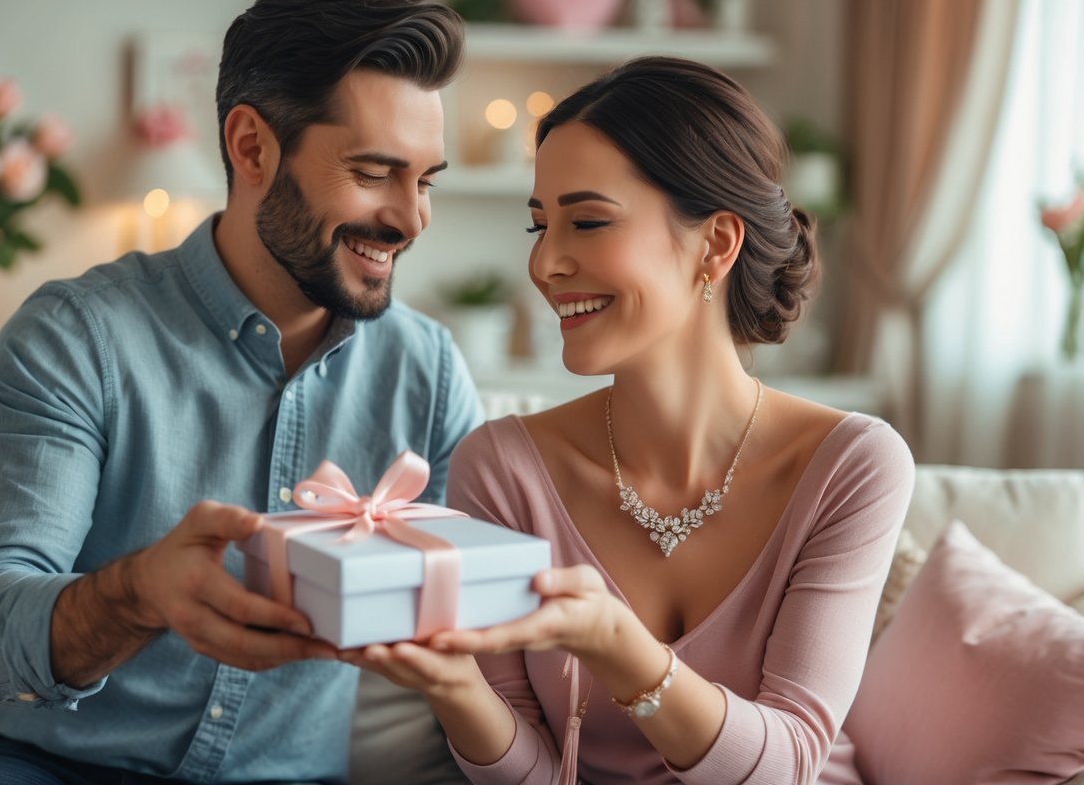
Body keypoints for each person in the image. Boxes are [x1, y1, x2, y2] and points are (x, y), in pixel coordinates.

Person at [0, 0, 483, 784]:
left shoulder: (428, 370)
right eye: (375, 172)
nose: (411, 219)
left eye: (426, 179)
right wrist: (136, 594)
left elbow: (488, 611)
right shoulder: (75, 336)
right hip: (47, 770)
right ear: (252, 145)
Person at [346, 56, 915, 784]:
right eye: (538, 225)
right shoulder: (501, 467)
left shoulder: (852, 464)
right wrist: (453, 684)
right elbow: (529, 772)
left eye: (586, 221)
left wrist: (619, 646)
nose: (545, 263)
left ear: (714, 244)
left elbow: (789, 765)